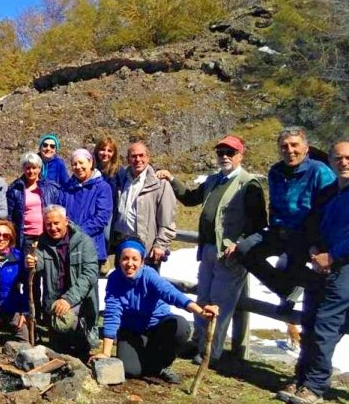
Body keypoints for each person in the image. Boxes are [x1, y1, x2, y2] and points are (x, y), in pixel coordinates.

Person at [277, 140, 349, 404]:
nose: (344, 163)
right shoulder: (328, 192)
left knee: (326, 321)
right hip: (322, 262)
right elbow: (313, 225)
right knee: (310, 317)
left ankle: (315, 386)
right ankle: (302, 377)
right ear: (331, 161)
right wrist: (316, 250)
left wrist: (333, 256)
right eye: (338, 158)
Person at [156, 135, 267, 364]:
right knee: (203, 297)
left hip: (229, 255)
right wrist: (173, 179)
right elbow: (190, 198)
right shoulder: (213, 180)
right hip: (208, 249)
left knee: (220, 303)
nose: (224, 156)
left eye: (230, 152)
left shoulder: (249, 184)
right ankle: (198, 343)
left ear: (240, 155)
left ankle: (211, 352)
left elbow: (259, 225)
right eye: (220, 152)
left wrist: (240, 244)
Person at [237, 127, 336, 346]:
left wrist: (318, 241)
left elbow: (329, 208)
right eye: (284, 146)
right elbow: (274, 204)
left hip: (304, 235)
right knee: (244, 250)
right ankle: (286, 288)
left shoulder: (320, 172)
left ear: (306, 148)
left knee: (296, 269)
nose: (289, 150)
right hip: (278, 231)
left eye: (294, 145)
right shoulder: (275, 172)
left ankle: (310, 287)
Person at [92, 238, 218, 383]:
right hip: (131, 329)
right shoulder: (115, 279)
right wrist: (106, 353)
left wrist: (200, 311)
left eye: (135, 259)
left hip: (156, 325)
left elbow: (171, 293)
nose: (130, 264)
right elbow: (112, 313)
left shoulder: (149, 275)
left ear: (142, 261)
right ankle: (149, 359)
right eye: (125, 258)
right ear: (119, 260)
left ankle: (163, 365)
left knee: (180, 326)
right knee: (131, 370)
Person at [26, 205, 99, 360]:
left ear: (66, 221)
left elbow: (90, 274)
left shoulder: (84, 242)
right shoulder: (42, 242)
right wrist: (31, 262)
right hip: (54, 300)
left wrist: (68, 299)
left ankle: (81, 344)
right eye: (48, 224)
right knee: (58, 352)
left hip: (79, 299)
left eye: (56, 223)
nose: (52, 228)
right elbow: (38, 264)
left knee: (69, 328)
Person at [114, 141, 177, 270]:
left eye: (141, 155)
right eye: (133, 156)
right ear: (128, 159)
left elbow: (168, 220)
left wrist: (160, 245)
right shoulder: (122, 179)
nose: (138, 159)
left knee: (146, 288)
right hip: (123, 246)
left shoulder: (160, 184)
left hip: (147, 249)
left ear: (148, 157)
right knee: (121, 287)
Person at [62, 149, 114, 267]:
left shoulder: (102, 187)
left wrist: (77, 233)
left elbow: (102, 218)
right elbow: (60, 213)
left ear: (90, 163)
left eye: (81, 163)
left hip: (91, 246)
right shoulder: (66, 189)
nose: (78, 167)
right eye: (74, 164)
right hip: (67, 245)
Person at [6, 152, 63, 253]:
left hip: (46, 234)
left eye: (34, 168)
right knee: (28, 266)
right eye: (28, 168)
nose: (31, 171)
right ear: (23, 169)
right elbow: (10, 217)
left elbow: (58, 212)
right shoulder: (15, 189)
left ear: (40, 168)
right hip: (25, 237)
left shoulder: (51, 188)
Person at [93, 135, 122, 274]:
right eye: (102, 149)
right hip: (92, 207)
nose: (105, 153)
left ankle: (104, 257)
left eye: (109, 150)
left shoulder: (118, 171)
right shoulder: (91, 168)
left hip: (109, 210)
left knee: (106, 235)